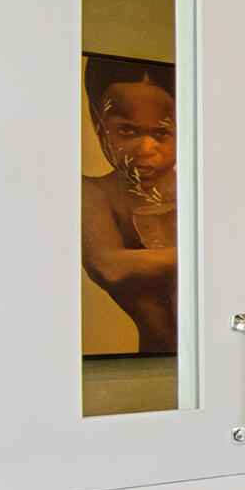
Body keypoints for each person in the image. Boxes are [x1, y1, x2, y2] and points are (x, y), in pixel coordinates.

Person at [82, 55, 178, 354]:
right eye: (128, 131)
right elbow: (111, 266)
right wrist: (211, 255)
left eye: (161, 133)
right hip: (153, 361)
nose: (145, 149)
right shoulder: (94, 193)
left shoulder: (200, 190)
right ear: (99, 125)